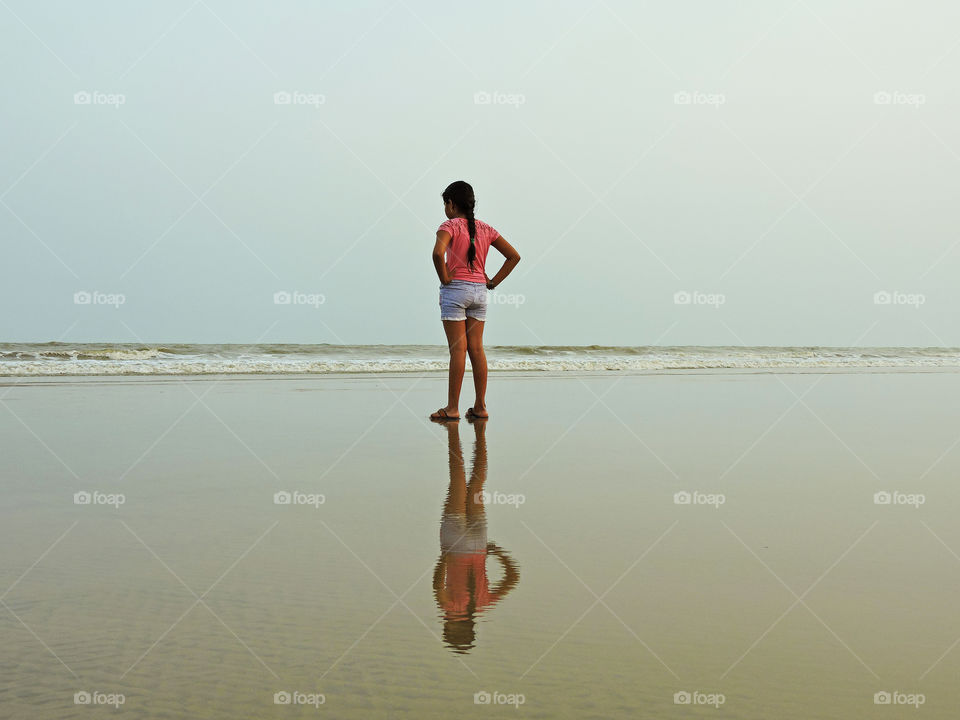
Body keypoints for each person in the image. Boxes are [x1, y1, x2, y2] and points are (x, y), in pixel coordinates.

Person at [430, 181, 521, 421]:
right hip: (480, 291)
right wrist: (493, 282)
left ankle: (452, 408)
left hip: (456, 290)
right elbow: (514, 256)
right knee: (477, 349)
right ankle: (480, 406)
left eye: (445, 204)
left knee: (458, 350)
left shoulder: (449, 225)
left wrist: (445, 277)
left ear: (451, 204)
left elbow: (438, 254)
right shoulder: (486, 229)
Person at [433, 417, 519, 653]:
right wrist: (443, 557)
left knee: (477, 483)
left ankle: (481, 436)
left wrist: (495, 551)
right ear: (452, 627)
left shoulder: (482, 604)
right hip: (454, 544)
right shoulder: (448, 606)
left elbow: (513, 576)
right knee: (457, 478)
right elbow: (437, 583)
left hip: (479, 541)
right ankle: (455, 432)